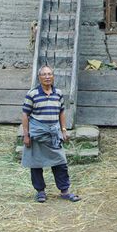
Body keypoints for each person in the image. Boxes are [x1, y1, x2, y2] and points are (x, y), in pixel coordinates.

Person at [21, 66, 81, 203]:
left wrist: (64, 130)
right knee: (36, 164)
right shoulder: (32, 94)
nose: (47, 77)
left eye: (49, 74)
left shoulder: (58, 93)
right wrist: (26, 135)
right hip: (37, 134)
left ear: (53, 76)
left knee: (61, 163)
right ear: (39, 77)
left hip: (54, 134)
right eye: (44, 74)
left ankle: (64, 191)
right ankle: (40, 192)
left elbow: (61, 112)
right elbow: (25, 114)